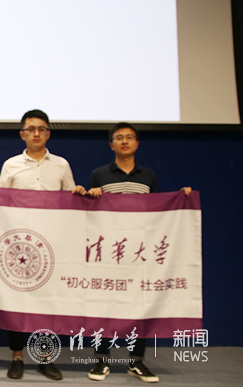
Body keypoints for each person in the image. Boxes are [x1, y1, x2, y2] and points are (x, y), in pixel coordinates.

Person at [0, 109, 86, 381]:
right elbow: (0, 198)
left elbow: (71, 199)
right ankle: (17, 357)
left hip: (52, 244)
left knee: (48, 302)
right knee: (16, 299)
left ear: (48, 133)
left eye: (41, 129)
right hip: (20, 245)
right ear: (22, 134)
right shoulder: (11, 165)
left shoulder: (61, 164)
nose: (36, 133)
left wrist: (78, 193)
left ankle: (45, 357)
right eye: (31, 129)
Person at [85, 122, 190, 383]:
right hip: (109, 251)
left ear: (137, 143)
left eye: (129, 137)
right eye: (119, 138)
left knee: (140, 307)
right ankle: (101, 360)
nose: (124, 141)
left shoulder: (148, 176)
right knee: (104, 305)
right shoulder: (100, 174)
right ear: (111, 145)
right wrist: (91, 194)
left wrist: (182, 198)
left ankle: (136, 361)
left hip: (139, 252)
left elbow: (158, 210)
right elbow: (87, 212)